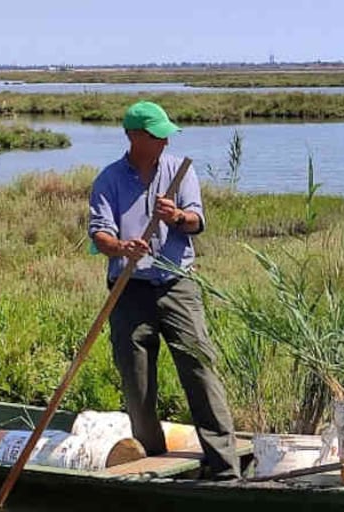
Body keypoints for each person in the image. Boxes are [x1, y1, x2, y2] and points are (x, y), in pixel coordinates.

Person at [88, 100, 241, 480]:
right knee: (136, 379)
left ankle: (225, 467)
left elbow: (196, 220)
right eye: (158, 135)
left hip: (177, 285)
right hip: (129, 290)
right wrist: (123, 247)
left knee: (200, 370)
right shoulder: (108, 180)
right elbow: (99, 235)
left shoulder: (179, 171)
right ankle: (152, 463)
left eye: (166, 135)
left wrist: (177, 217)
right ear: (134, 137)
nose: (165, 142)